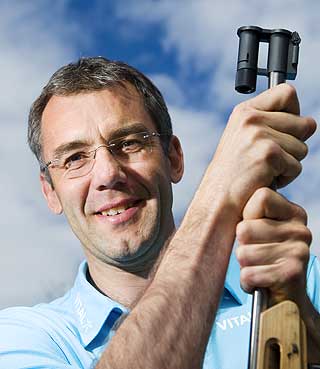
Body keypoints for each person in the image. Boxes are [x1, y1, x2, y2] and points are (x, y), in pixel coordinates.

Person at [0, 56, 319, 369]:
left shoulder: (300, 276)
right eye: (74, 159)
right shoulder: (25, 339)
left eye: (128, 143)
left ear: (175, 158)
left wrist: (306, 323)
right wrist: (220, 194)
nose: (108, 174)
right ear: (50, 192)